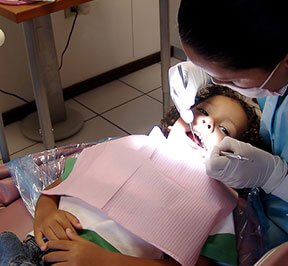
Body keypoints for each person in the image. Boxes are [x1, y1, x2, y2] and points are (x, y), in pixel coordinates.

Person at [0, 85, 261, 266]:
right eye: (203, 111)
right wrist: (46, 213)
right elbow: (62, 183)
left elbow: (199, 263)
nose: (207, 122)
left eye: (225, 130)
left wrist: (107, 261)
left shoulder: (215, 199)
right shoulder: (132, 146)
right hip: (41, 246)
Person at [169, 0, 288, 264]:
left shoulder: (229, 216)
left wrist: (276, 177)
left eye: (232, 80)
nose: (206, 122)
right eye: (202, 109)